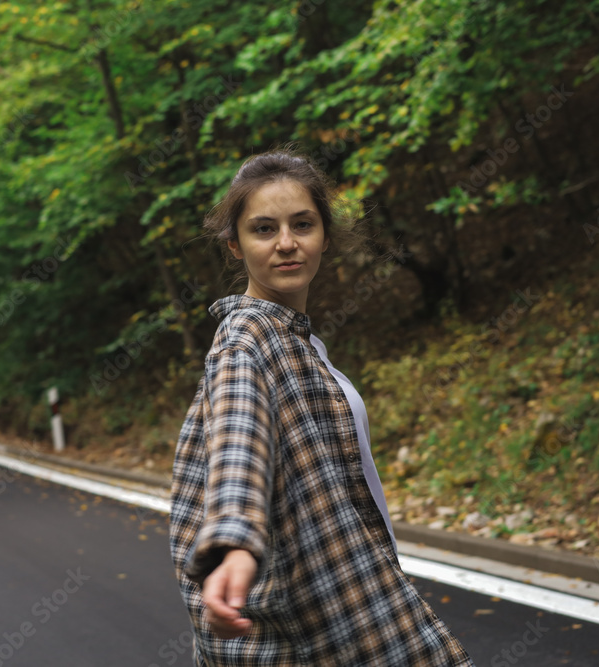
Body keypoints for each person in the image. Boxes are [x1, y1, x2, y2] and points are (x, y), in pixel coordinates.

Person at [169, 146, 474, 666]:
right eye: (264, 229)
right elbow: (240, 434)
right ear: (235, 245)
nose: (287, 243)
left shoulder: (301, 343)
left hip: (342, 595)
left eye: (303, 224)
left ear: (325, 236)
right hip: (302, 624)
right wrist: (234, 542)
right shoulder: (246, 340)